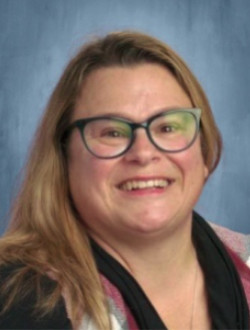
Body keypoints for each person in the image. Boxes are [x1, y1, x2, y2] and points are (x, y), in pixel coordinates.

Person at [0, 31, 249, 330]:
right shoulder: (18, 299)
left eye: (168, 127)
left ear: (204, 153)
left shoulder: (245, 261)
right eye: (112, 132)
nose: (143, 153)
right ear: (64, 159)